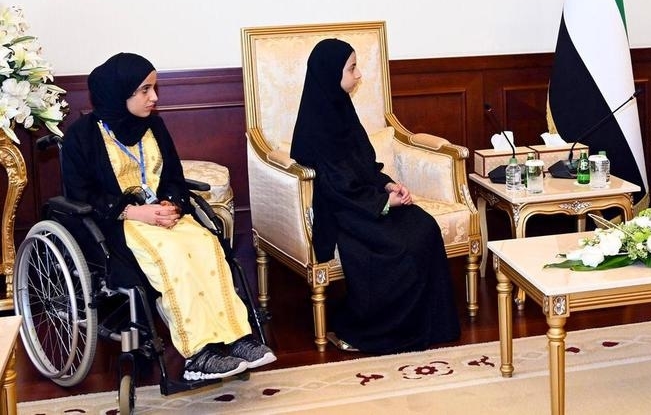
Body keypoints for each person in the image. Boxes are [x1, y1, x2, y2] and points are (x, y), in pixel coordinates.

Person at [61, 53, 276, 381]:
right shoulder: (82, 136)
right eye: (145, 90)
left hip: (163, 216)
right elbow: (81, 194)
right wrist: (134, 211)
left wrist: (172, 203)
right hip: (117, 224)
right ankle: (199, 353)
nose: (154, 98)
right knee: (172, 253)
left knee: (206, 243)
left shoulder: (154, 126)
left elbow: (174, 177)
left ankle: (236, 337)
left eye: (154, 88)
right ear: (119, 93)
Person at [290, 38, 461, 354]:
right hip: (342, 208)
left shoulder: (343, 108)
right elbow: (335, 184)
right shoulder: (315, 125)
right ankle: (373, 331)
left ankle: (431, 326)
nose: (358, 75)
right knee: (396, 245)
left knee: (424, 226)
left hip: (365, 198)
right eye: (352, 68)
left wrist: (387, 187)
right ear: (330, 73)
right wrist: (382, 204)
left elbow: (364, 165)